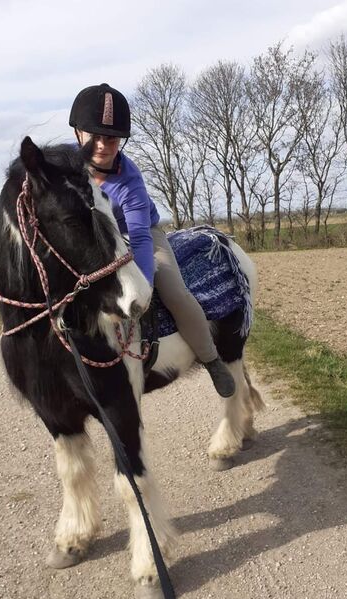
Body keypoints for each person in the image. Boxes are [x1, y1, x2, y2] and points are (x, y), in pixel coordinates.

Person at [69, 83, 235, 398]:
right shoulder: (65, 166)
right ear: (78, 134)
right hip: (95, 237)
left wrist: (143, 286)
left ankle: (212, 359)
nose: (103, 146)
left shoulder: (129, 180)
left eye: (112, 139)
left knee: (174, 290)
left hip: (138, 232)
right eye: (95, 137)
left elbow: (142, 239)